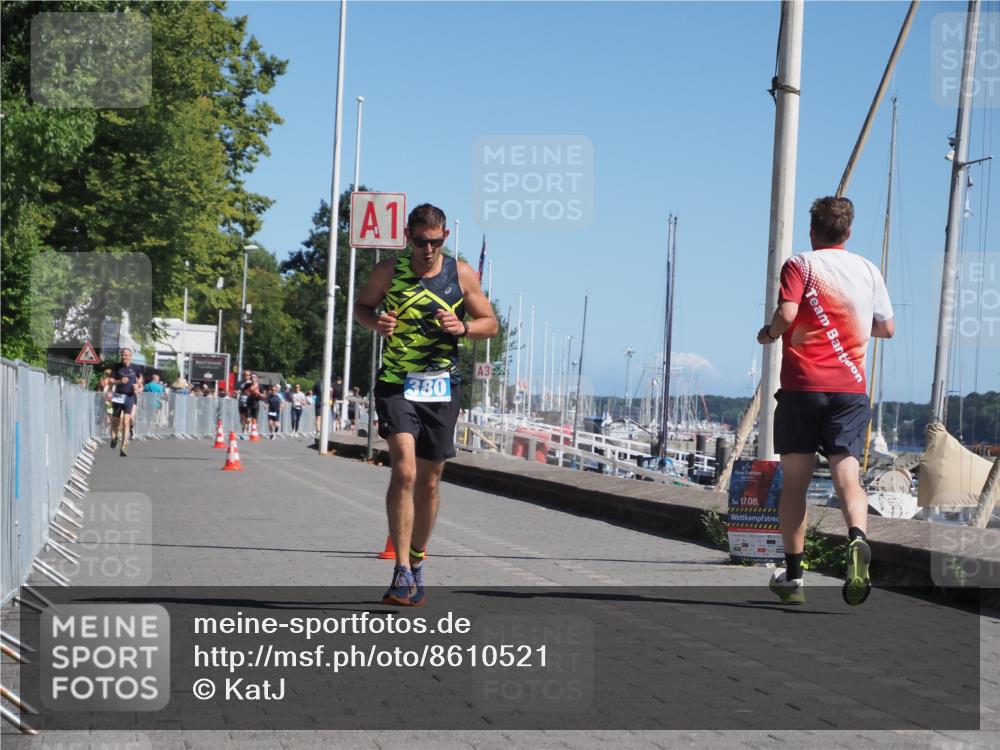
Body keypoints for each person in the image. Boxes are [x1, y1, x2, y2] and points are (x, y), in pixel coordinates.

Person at [355, 203, 497, 606]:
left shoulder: (460, 273)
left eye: (435, 242)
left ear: (445, 239)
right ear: (408, 237)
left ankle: (417, 560)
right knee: (404, 469)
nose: (428, 249)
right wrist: (375, 323)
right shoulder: (388, 271)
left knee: (430, 482)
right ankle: (400, 570)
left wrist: (464, 327)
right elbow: (363, 307)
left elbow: (490, 322)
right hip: (397, 382)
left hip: (440, 388)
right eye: (421, 242)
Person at [757, 196, 894, 607]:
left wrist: (768, 334)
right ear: (848, 233)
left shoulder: (801, 264)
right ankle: (857, 539)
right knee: (848, 479)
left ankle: (794, 579)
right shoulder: (868, 270)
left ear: (813, 230)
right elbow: (886, 327)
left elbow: (786, 312)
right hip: (850, 391)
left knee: (795, 485)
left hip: (802, 389)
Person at [109, 348, 140, 457]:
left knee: (126, 421)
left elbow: (140, 381)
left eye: (126, 355)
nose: (124, 357)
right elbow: (110, 381)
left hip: (129, 396)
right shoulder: (116, 367)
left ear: (130, 356)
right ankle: (114, 437)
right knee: (115, 421)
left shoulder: (135, 368)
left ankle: (124, 446)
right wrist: (119, 381)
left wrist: (138, 386)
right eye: (122, 355)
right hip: (118, 396)